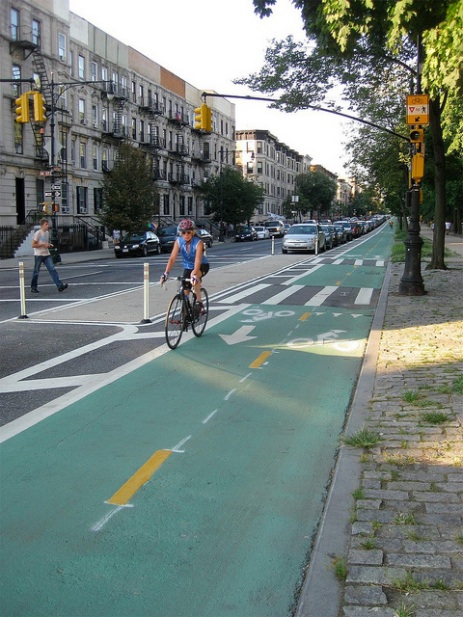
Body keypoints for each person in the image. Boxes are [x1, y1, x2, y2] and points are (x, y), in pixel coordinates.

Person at [160, 219, 209, 306]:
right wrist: (166, 273)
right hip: (188, 266)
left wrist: (194, 273)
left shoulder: (198, 242)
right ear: (180, 233)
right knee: (185, 290)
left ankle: (199, 302)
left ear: (193, 232)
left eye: (188, 232)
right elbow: (172, 258)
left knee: (195, 276)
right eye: (183, 233)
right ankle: (185, 313)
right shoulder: (179, 241)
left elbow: (197, 259)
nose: (186, 235)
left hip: (201, 265)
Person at [30, 219, 68, 293]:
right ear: (42, 225)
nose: (48, 226)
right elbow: (33, 245)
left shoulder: (47, 233)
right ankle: (33, 287)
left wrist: (49, 245)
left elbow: (45, 243)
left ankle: (59, 286)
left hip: (46, 254)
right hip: (39, 255)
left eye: (47, 224)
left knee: (52, 269)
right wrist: (43, 245)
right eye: (46, 224)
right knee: (36, 271)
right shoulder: (38, 233)